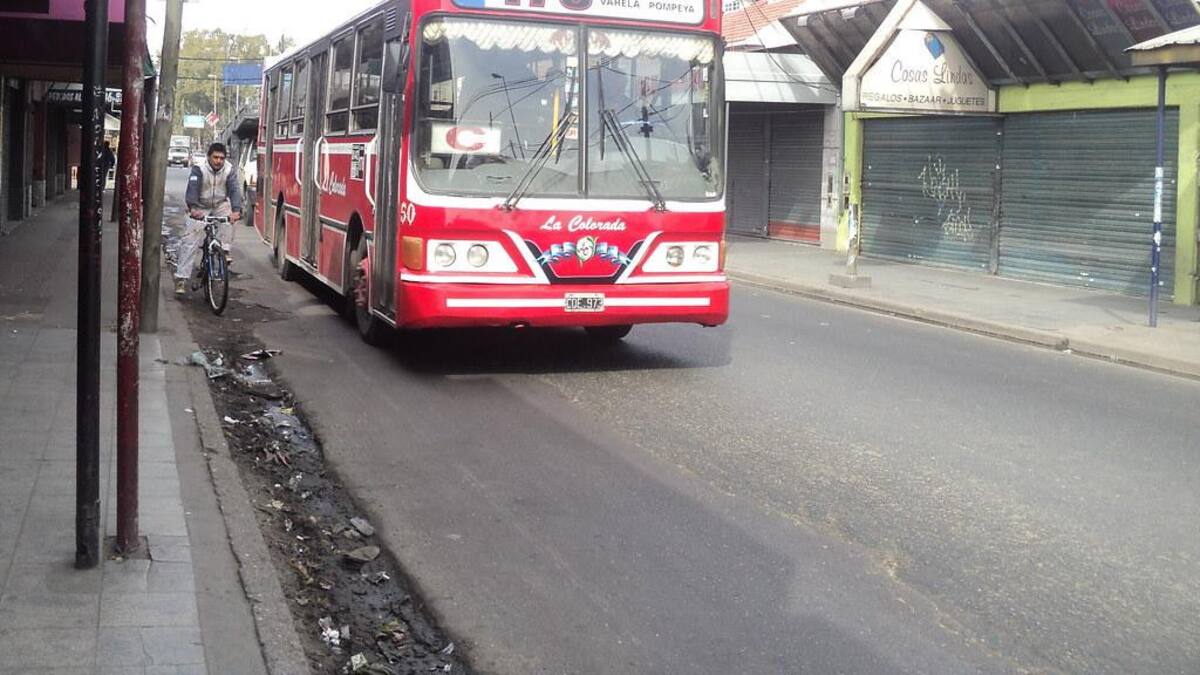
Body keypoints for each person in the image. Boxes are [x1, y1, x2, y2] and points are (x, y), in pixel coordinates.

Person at [175, 142, 242, 295]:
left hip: (220, 204)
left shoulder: (229, 170)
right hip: (199, 206)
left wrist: (236, 211)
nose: (219, 161)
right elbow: (192, 190)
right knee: (189, 241)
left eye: (222, 158)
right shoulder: (199, 168)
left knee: (228, 221)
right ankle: (181, 279)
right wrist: (193, 209)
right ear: (208, 157)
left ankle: (224, 251)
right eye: (215, 157)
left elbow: (234, 190)